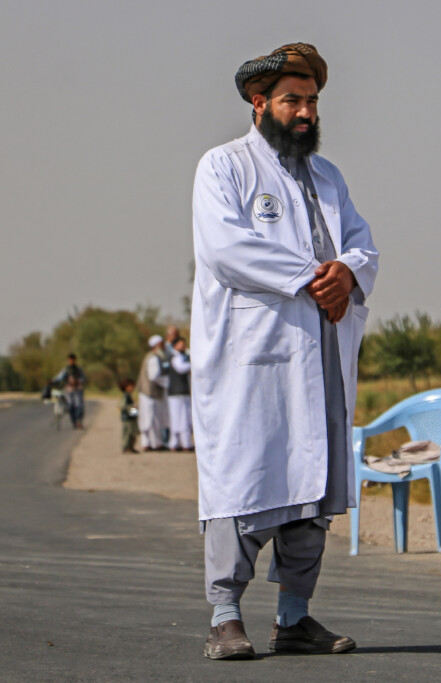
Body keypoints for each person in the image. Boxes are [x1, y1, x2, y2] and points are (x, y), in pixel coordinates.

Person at [191, 42, 377, 661]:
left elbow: (362, 245)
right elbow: (225, 249)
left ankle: (293, 618)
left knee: (313, 486)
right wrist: (311, 277)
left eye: (312, 101)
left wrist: (348, 272)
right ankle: (224, 616)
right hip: (252, 360)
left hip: (321, 352)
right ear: (259, 103)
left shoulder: (329, 177)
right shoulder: (225, 166)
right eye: (292, 100)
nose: (305, 112)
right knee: (244, 479)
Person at [136, 335, 169, 451]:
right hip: (150, 393)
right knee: (151, 418)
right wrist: (167, 383)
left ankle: (150, 443)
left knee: (150, 418)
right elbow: (153, 376)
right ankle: (154, 443)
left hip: (148, 393)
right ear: (157, 345)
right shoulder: (153, 358)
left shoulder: (153, 356)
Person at [167, 337, 193, 452]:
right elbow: (181, 368)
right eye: (181, 344)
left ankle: (176, 443)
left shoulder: (181, 356)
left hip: (181, 392)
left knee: (181, 418)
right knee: (181, 419)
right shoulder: (176, 357)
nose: (183, 346)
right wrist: (193, 365)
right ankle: (184, 443)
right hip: (177, 392)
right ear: (175, 345)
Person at [52, 353, 86, 429]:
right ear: (68, 360)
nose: (71, 361)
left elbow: (83, 378)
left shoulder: (78, 370)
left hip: (77, 390)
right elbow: (59, 377)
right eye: (70, 360)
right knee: (70, 406)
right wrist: (52, 381)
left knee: (79, 406)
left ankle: (79, 421)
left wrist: (77, 381)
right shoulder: (65, 370)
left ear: (74, 360)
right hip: (69, 390)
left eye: (72, 360)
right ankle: (74, 422)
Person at [119, 378, 139, 453]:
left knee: (133, 434)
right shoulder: (125, 396)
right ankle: (126, 447)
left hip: (132, 419)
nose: (133, 388)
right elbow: (123, 406)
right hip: (127, 419)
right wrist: (133, 408)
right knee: (127, 434)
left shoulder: (129, 396)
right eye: (131, 386)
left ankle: (131, 447)